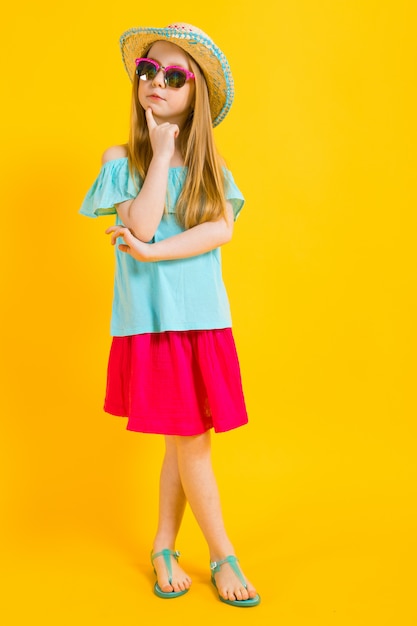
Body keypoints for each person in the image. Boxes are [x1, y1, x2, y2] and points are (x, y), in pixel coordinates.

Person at [80, 22, 260, 607]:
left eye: (174, 76)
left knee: (183, 444)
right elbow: (145, 221)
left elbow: (218, 229)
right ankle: (222, 554)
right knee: (192, 443)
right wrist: (158, 156)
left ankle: (163, 545)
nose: (157, 81)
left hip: (202, 320)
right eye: (148, 71)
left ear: (196, 95)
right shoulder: (123, 159)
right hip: (153, 326)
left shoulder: (210, 165)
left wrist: (152, 252)